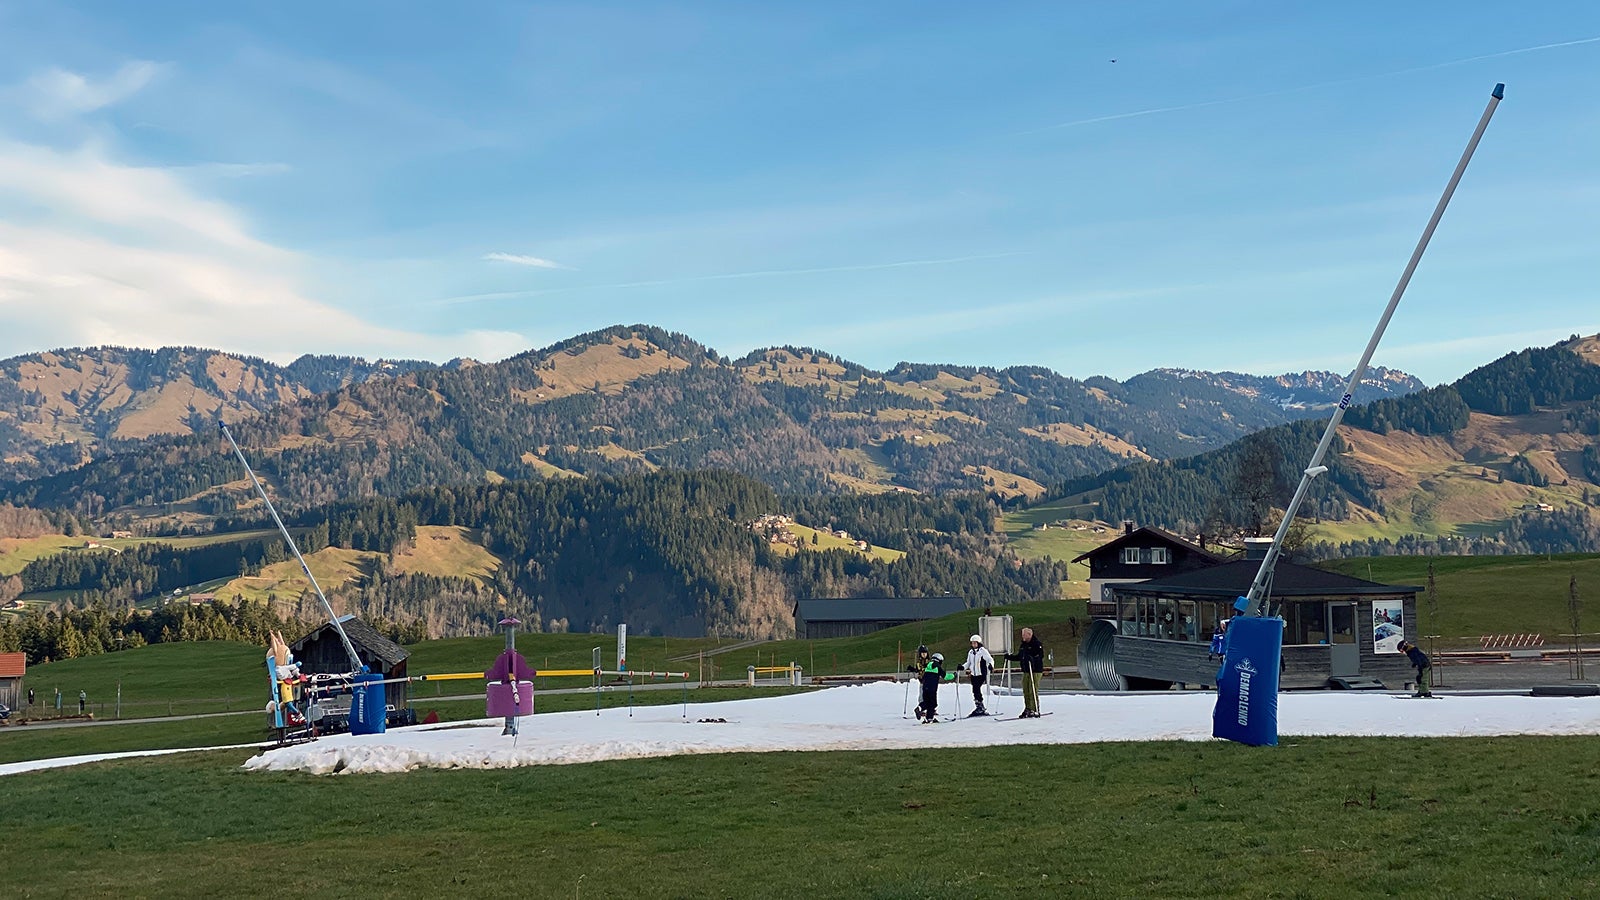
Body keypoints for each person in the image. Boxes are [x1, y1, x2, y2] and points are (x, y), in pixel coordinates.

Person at [1004, 626, 1046, 717]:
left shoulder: (1036, 643)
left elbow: (1040, 655)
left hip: (1035, 670)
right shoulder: (1023, 645)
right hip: (1026, 670)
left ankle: (1034, 708)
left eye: (1024, 634)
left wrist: (1033, 659)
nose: (1022, 636)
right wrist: (1009, 657)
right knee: (1026, 690)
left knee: (1032, 689)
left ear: (1030, 635)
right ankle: (1028, 708)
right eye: (1022, 634)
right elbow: (1020, 656)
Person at [959, 634, 995, 716]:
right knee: (975, 690)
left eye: (975, 643)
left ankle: (980, 706)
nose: (973, 645)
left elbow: (990, 659)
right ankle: (979, 705)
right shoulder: (971, 652)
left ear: (978, 643)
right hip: (973, 674)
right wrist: (962, 667)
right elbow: (968, 663)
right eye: (972, 643)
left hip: (981, 674)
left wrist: (991, 665)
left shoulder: (983, 651)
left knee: (976, 688)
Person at [914, 651, 955, 723]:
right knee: (933, 703)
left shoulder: (927, 666)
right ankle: (929, 718)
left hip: (925, 687)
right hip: (932, 689)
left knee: (926, 702)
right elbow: (945, 676)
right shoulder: (937, 667)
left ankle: (919, 708)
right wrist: (954, 675)